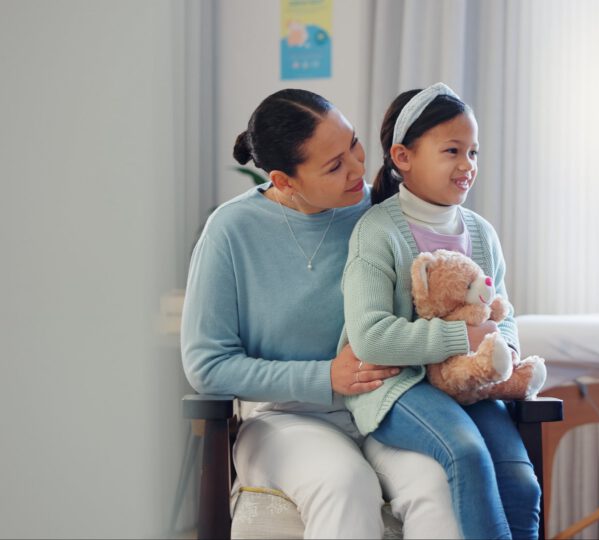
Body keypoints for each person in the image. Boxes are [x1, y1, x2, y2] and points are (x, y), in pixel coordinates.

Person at [180, 88, 461, 539]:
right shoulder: (231, 231)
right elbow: (207, 366)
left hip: (385, 410)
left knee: (439, 482)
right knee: (344, 482)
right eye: (334, 165)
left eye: (352, 144)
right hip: (285, 418)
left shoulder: (381, 214)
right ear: (285, 180)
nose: (357, 169)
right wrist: (326, 375)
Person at [337, 83, 542, 540]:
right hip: (397, 387)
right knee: (466, 454)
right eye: (453, 150)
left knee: (521, 484)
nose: (467, 165)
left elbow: (501, 313)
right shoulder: (377, 232)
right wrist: (461, 340)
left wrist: (500, 348)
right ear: (403, 157)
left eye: (473, 152)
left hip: (470, 386)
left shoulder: (481, 233)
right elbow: (369, 337)